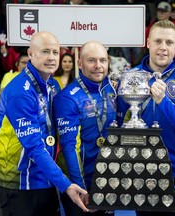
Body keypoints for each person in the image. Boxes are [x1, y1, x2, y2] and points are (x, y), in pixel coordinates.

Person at [0, 31, 89, 216]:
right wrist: (66, 185)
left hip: (44, 177)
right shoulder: (21, 92)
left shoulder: (53, 86)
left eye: (55, 52)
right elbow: (34, 147)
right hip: (17, 183)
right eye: (45, 52)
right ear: (31, 54)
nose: (51, 57)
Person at [117, 19, 175, 216]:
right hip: (141, 172)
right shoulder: (130, 77)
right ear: (148, 43)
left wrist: (163, 100)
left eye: (169, 43)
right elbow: (118, 126)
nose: (163, 48)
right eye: (158, 41)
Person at [53, 40, 117, 216]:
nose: (98, 66)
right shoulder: (67, 98)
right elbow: (69, 147)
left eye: (103, 60)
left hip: (108, 183)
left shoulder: (110, 90)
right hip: (80, 186)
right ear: (80, 63)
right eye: (92, 60)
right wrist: (81, 189)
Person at [0, 52, 29, 116]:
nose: (26, 65)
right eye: (23, 62)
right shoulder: (9, 76)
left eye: (29, 63)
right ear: (17, 64)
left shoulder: (37, 78)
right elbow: (5, 92)